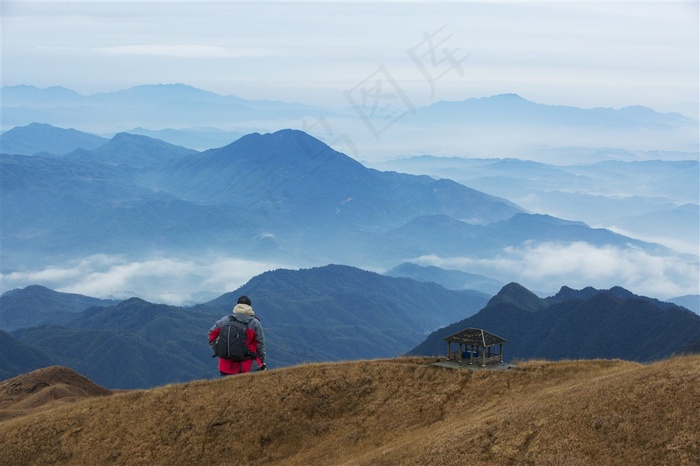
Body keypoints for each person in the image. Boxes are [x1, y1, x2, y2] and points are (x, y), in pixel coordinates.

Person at [209, 295, 266, 375]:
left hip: (225, 367)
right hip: (249, 367)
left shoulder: (225, 320)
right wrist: (261, 361)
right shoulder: (254, 323)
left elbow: (211, 334)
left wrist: (218, 350)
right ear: (249, 307)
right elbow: (260, 344)